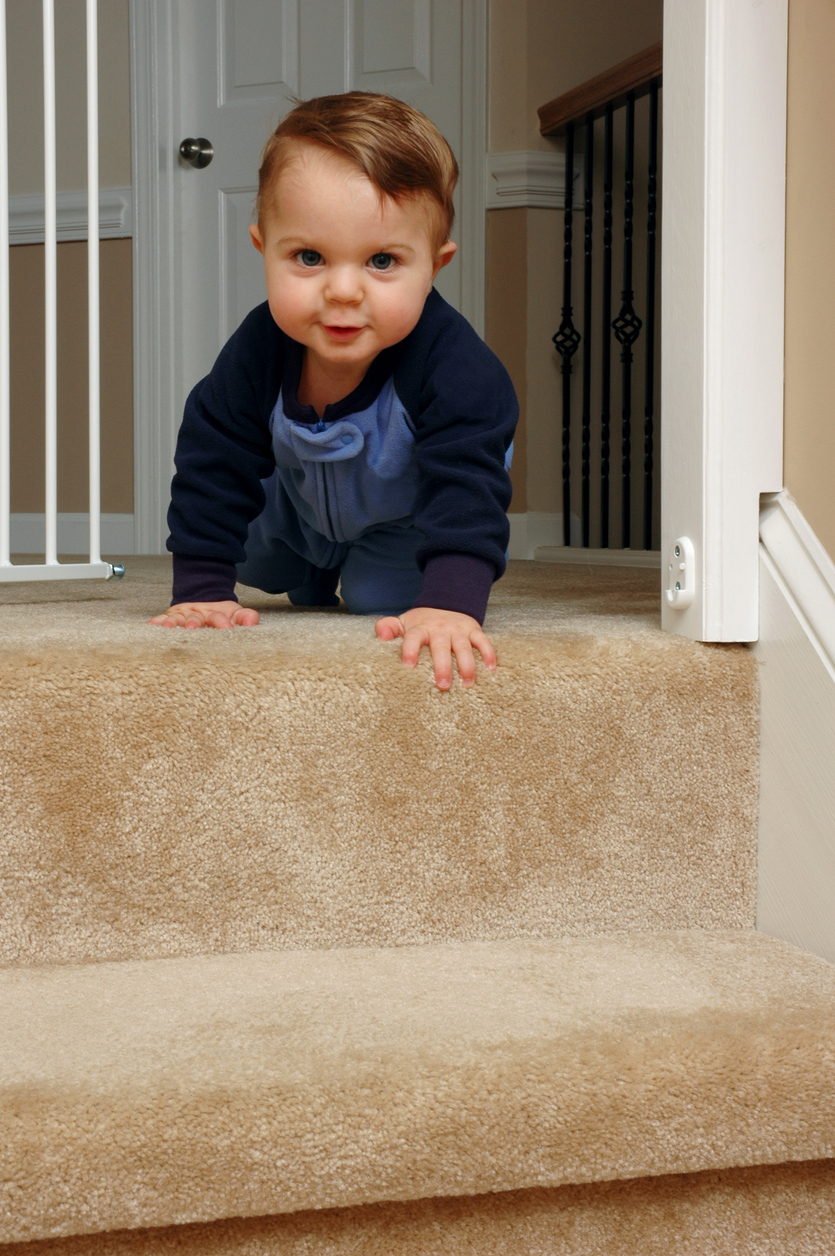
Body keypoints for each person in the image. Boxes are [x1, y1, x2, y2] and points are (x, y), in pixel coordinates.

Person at [150, 91, 518, 691]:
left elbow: (467, 486)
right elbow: (212, 460)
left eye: (381, 261)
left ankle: (359, 569)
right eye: (310, 257)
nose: (343, 291)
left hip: (411, 517)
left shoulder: (457, 367)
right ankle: (311, 568)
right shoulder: (258, 350)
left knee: (380, 597)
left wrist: (451, 599)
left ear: (435, 264)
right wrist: (201, 590)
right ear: (262, 249)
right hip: (298, 508)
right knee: (251, 554)